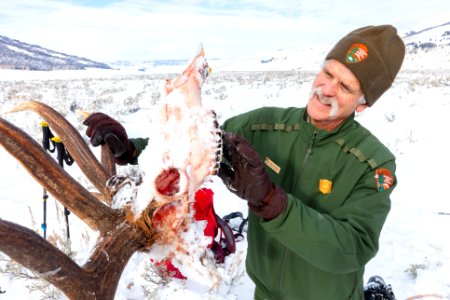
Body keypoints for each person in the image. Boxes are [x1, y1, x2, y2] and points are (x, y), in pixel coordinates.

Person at [83, 25, 404, 299]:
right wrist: (132, 150)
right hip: (264, 291)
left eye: (346, 86)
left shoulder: (373, 164)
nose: (326, 89)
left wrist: (271, 201)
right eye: (328, 72)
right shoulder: (264, 125)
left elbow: (353, 247)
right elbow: (194, 146)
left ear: (362, 104)